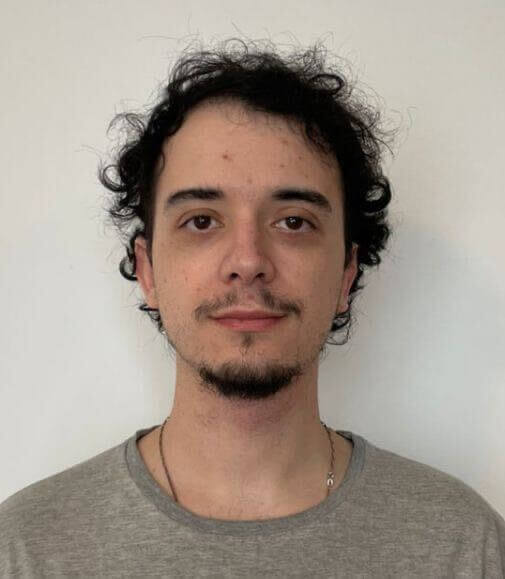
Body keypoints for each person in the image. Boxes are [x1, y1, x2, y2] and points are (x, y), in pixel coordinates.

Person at [1, 39, 504, 577]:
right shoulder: (28, 550)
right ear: (147, 271)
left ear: (345, 273)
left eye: (293, 222)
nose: (247, 261)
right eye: (201, 221)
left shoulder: (462, 546)